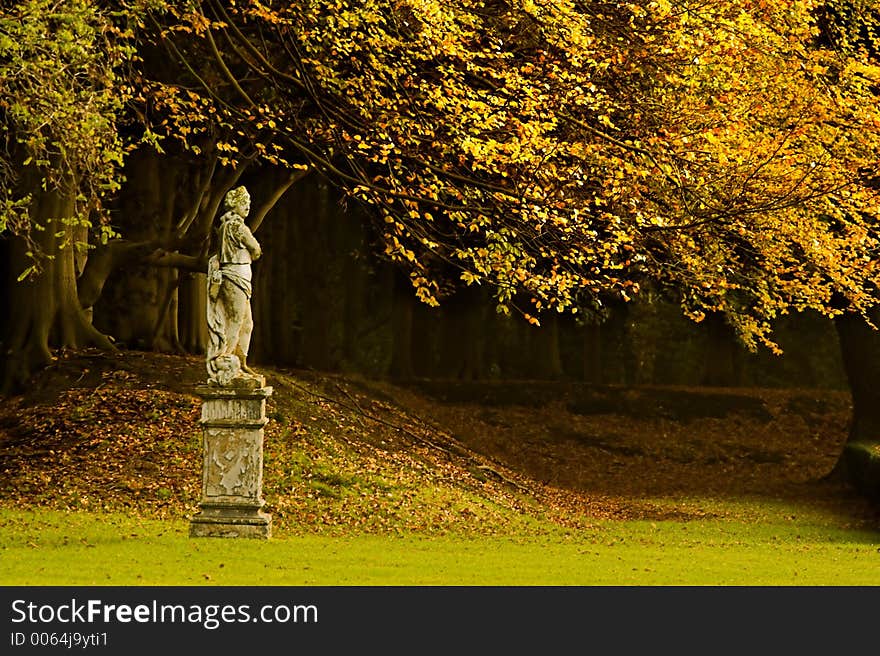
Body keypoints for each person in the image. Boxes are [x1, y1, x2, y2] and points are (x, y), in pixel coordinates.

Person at [206, 185, 262, 385]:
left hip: (241, 278)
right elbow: (255, 248)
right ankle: (225, 359)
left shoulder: (229, 225)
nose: (247, 207)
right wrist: (253, 252)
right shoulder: (235, 226)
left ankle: (241, 361)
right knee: (235, 321)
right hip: (234, 276)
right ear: (234, 205)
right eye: (243, 203)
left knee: (247, 323)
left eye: (248, 203)